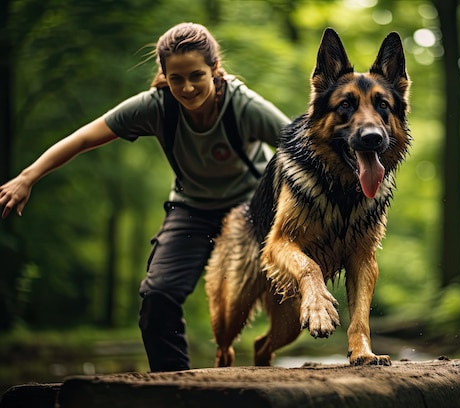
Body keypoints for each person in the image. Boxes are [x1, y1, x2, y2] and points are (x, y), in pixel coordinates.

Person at [0, 22, 290, 372]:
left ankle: (263, 347)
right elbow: (83, 138)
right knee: (157, 296)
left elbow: (301, 148)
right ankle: (175, 386)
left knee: (277, 298)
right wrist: (27, 177)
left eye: (196, 75)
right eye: (176, 78)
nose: (186, 87)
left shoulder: (243, 106)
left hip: (251, 209)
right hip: (193, 210)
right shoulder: (156, 107)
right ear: (164, 75)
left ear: (215, 70)